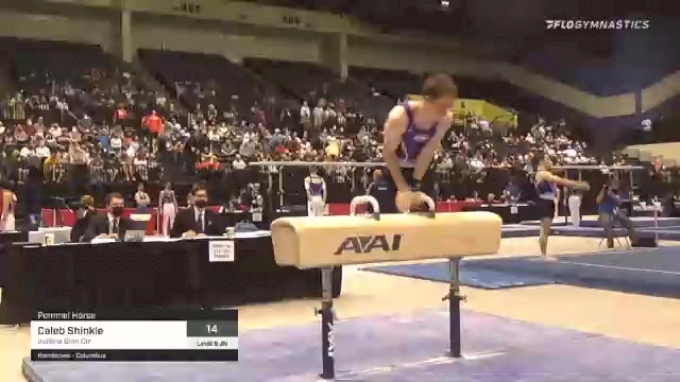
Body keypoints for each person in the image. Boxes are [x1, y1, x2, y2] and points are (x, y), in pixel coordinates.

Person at [382, 74, 456, 213]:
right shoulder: (399, 117)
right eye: (443, 106)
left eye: (450, 106)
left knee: (426, 217)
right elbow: (388, 152)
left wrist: (415, 185)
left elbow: (428, 151)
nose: (446, 111)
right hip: (396, 169)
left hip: (422, 170)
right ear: (428, 100)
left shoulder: (445, 119)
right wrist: (403, 189)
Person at [534, 158, 589, 257]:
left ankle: (543, 252)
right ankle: (543, 254)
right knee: (544, 229)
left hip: (548, 201)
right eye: (550, 163)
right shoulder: (542, 174)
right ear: (543, 163)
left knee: (546, 229)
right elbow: (560, 181)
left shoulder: (545, 173)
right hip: (544, 202)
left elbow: (558, 171)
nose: (552, 165)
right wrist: (578, 184)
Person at [596, 179, 638, 248]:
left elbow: (619, 202)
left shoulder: (614, 193)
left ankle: (634, 241)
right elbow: (597, 201)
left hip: (614, 211)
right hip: (604, 212)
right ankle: (610, 242)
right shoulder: (602, 193)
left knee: (629, 222)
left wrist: (612, 194)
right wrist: (603, 190)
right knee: (607, 223)